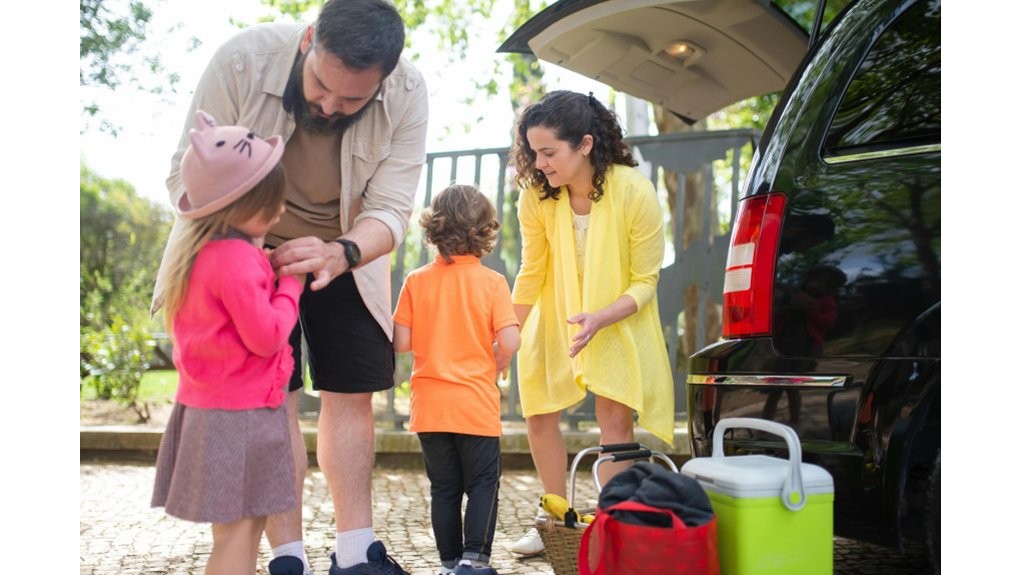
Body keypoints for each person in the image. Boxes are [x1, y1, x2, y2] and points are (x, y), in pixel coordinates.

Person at [150, 1, 428, 573]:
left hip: (346, 247)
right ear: (307, 41)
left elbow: (393, 208)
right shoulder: (241, 61)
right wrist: (247, 247)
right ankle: (287, 556)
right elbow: (186, 169)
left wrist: (341, 252)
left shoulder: (408, 93)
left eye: (352, 100)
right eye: (322, 85)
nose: (330, 106)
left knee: (353, 392)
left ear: (383, 81)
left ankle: (356, 553)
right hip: (242, 243)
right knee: (268, 396)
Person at [506, 90, 675, 556]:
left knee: (613, 415)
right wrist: (509, 331)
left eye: (548, 153)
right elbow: (532, 268)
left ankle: (612, 522)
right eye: (533, 152)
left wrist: (602, 317)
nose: (539, 163)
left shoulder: (634, 192)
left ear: (583, 144)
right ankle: (554, 520)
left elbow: (645, 281)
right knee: (538, 410)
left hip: (616, 316)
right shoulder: (535, 195)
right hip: (555, 312)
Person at [150, 111, 305, 575]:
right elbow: (268, 336)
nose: (280, 210)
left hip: (208, 413)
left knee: (230, 534)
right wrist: (291, 285)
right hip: (242, 418)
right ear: (240, 206)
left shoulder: (199, 257)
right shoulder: (237, 260)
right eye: (271, 202)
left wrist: (270, 271)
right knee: (241, 537)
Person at [392, 184, 521, 575]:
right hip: (475, 404)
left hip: (430, 406)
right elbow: (511, 339)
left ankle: (449, 563)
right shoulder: (493, 282)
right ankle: (474, 560)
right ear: (485, 232)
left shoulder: (416, 280)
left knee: (443, 488)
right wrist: (498, 356)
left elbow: (401, 343)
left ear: (434, 229)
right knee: (483, 483)